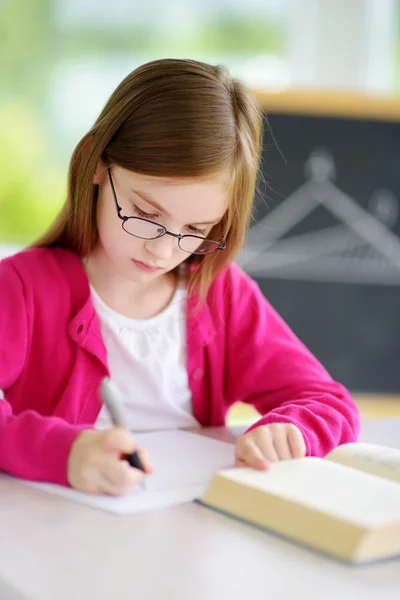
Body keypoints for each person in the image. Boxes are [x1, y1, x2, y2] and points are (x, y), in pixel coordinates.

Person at [0, 58, 360, 496]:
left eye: (196, 230)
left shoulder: (221, 295)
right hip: (61, 535)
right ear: (96, 163)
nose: (163, 249)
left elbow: (328, 401)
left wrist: (290, 430)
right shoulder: (23, 289)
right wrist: (63, 453)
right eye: (146, 214)